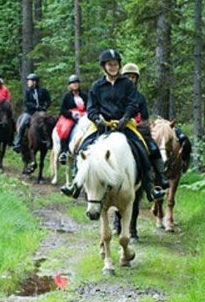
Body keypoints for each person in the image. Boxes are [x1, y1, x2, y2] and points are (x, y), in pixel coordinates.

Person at [60, 49, 166, 201]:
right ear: (104, 66)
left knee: (143, 148)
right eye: (110, 65)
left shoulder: (127, 84)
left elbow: (132, 103)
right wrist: (97, 119)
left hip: (125, 124)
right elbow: (91, 108)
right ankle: (75, 185)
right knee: (83, 148)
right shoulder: (96, 86)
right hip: (101, 125)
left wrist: (125, 117)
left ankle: (150, 188)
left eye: (115, 64)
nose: (113, 67)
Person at [121, 63, 170, 190]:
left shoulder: (140, 97)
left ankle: (159, 178)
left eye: (133, 77)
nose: (130, 79)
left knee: (153, 148)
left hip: (136, 129)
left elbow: (145, 118)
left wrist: (140, 126)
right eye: (127, 77)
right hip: (118, 127)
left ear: (136, 79)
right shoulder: (118, 95)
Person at [12, 72, 51, 153]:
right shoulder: (28, 91)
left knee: (49, 122)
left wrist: (44, 107)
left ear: (35, 82)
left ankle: (50, 142)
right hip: (30, 112)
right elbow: (26, 102)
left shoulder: (43, 91)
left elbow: (48, 100)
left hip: (41, 112)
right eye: (28, 81)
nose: (28, 82)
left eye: (29, 81)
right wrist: (35, 107)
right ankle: (18, 142)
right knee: (22, 123)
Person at [56, 74, 87, 164]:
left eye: (76, 82)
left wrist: (86, 113)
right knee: (65, 129)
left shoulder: (84, 95)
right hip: (70, 117)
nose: (75, 84)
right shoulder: (67, 96)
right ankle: (63, 151)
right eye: (73, 83)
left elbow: (89, 106)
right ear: (69, 85)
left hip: (84, 116)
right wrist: (71, 114)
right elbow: (62, 109)